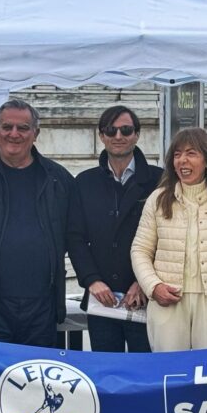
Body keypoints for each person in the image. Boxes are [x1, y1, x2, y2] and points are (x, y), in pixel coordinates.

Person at [0, 98, 75, 347]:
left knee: (40, 382)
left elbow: (74, 235)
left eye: (23, 128)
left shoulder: (59, 179)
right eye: (7, 127)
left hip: (42, 307)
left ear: (36, 133)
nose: (14, 134)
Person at [131, 128, 207, 351]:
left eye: (191, 153)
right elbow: (140, 250)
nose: (182, 160)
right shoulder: (157, 199)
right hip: (168, 302)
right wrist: (153, 286)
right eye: (177, 154)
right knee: (169, 374)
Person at [68, 106, 162, 353]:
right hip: (103, 299)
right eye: (111, 130)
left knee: (147, 374)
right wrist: (92, 280)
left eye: (126, 130)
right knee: (107, 374)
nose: (118, 136)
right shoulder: (84, 182)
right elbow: (75, 238)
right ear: (101, 136)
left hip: (146, 297)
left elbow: (168, 239)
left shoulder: (159, 180)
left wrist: (145, 282)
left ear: (137, 134)